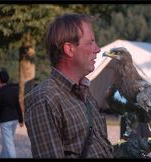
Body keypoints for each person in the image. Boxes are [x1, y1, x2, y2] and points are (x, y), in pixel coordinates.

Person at [24, 13, 114, 158]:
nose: (97, 49)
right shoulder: (45, 99)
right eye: (90, 42)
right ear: (69, 49)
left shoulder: (85, 93)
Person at [0, 69, 24, 158]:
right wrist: (21, 120)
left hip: (5, 121)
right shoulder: (14, 90)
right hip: (14, 120)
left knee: (9, 143)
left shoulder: (0, 92)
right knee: (7, 142)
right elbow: (18, 105)